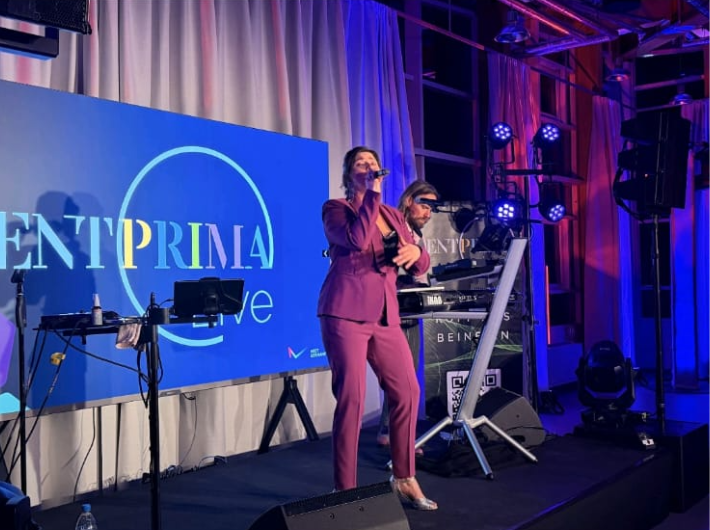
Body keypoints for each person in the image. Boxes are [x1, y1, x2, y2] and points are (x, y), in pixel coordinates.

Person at [317, 146, 437, 510]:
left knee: (408, 391)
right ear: (348, 174)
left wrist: (418, 255)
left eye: (373, 162)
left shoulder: (393, 215)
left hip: (385, 315)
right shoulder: (337, 209)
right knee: (351, 398)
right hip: (344, 313)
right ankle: (345, 490)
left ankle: (404, 477)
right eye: (360, 163)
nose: (369, 166)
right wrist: (371, 195)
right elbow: (355, 239)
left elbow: (418, 262)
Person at [376, 180, 440, 451]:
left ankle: (388, 431)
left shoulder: (416, 234)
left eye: (431, 208)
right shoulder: (394, 227)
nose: (428, 212)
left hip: (408, 310)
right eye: (424, 205)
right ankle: (399, 438)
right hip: (391, 311)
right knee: (403, 379)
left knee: (403, 377)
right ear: (408, 201)